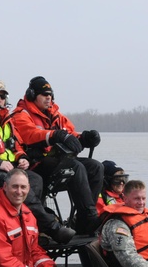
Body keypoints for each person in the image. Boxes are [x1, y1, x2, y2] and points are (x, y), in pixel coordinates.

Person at [0, 78, 75, 244]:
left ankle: (32, 227)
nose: (0, 100)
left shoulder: (5, 121)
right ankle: (51, 227)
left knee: (34, 179)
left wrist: (21, 157)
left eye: (3, 97)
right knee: (19, 187)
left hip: (4, 170)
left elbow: (15, 145)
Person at [11, 76, 104, 235]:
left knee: (96, 167)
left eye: (51, 95)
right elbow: (30, 135)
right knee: (75, 166)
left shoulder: (55, 114)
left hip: (56, 162)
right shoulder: (21, 115)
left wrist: (85, 138)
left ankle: (84, 219)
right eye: (44, 94)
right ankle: (89, 216)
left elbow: (70, 133)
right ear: (32, 95)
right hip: (36, 165)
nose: (49, 98)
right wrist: (55, 136)